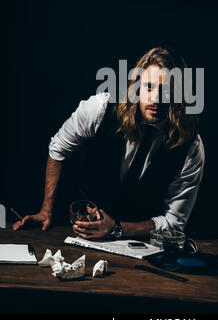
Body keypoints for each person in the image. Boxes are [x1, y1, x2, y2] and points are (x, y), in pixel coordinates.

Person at [13, 47, 205, 240]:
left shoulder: (190, 146)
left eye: (166, 91)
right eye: (149, 87)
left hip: (140, 245)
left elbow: (174, 222)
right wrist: (46, 210)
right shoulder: (100, 109)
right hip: (81, 233)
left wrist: (118, 228)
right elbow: (58, 147)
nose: (155, 99)